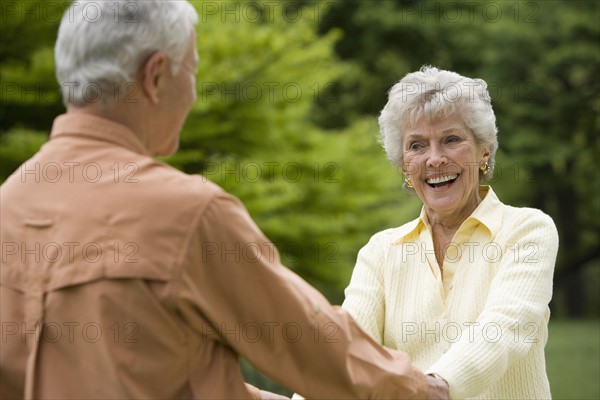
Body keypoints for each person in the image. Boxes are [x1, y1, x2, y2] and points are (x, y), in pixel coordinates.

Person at [0, 2, 450, 399]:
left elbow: (119, 369)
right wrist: (416, 388)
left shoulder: (8, 205)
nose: (193, 94)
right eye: (191, 71)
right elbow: (307, 339)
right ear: (155, 76)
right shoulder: (185, 213)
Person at [342, 66, 559, 399]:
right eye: (416, 145)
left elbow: (503, 328)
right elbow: (347, 354)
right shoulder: (381, 251)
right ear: (403, 163)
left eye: (451, 139)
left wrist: (437, 386)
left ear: (483, 150)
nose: (435, 159)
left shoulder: (528, 230)